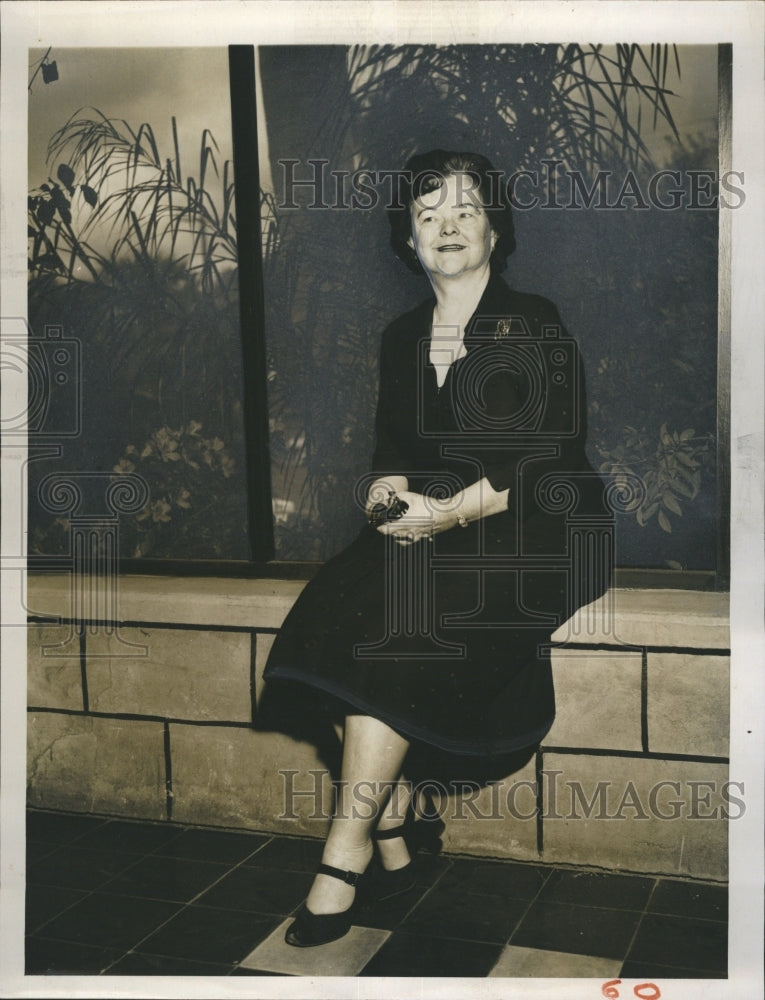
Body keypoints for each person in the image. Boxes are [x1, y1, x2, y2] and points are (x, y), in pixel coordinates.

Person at [261, 149, 612, 947]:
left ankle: (344, 856)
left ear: (494, 230)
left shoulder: (530, 320)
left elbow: (544, 456)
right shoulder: (401, 337)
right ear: (408, 238)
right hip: (435, 519)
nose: (446, 227)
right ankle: (392, 817)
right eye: (427, 215)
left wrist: (442, 517)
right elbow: (388, 455)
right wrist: (388, 507)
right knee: (327, 617)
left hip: (539, 522)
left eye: (464, 210)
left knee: (402, 632)